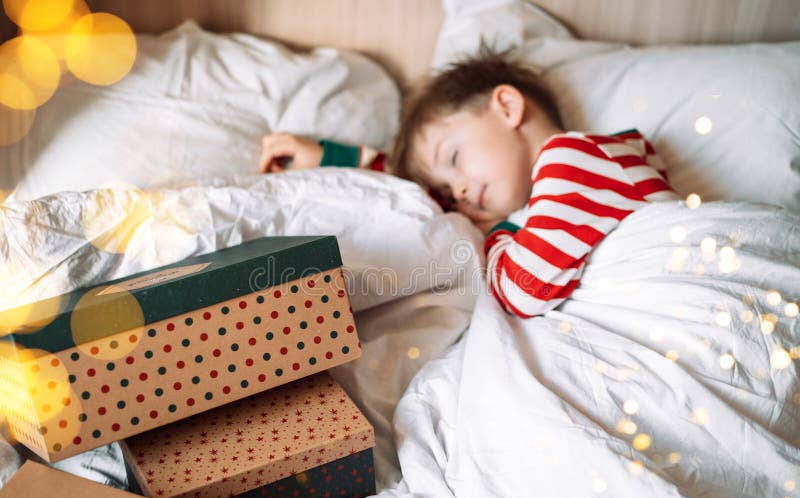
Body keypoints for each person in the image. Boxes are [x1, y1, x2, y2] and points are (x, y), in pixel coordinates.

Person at [258, 52, 679, 318]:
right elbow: (416, 196)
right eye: (448, 189)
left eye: (455, 158)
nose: (458, 193)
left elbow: (524, 291)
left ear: (507, 107)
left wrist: (495, 232)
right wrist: (335, 159)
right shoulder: (555, 192)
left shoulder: (574, 157)